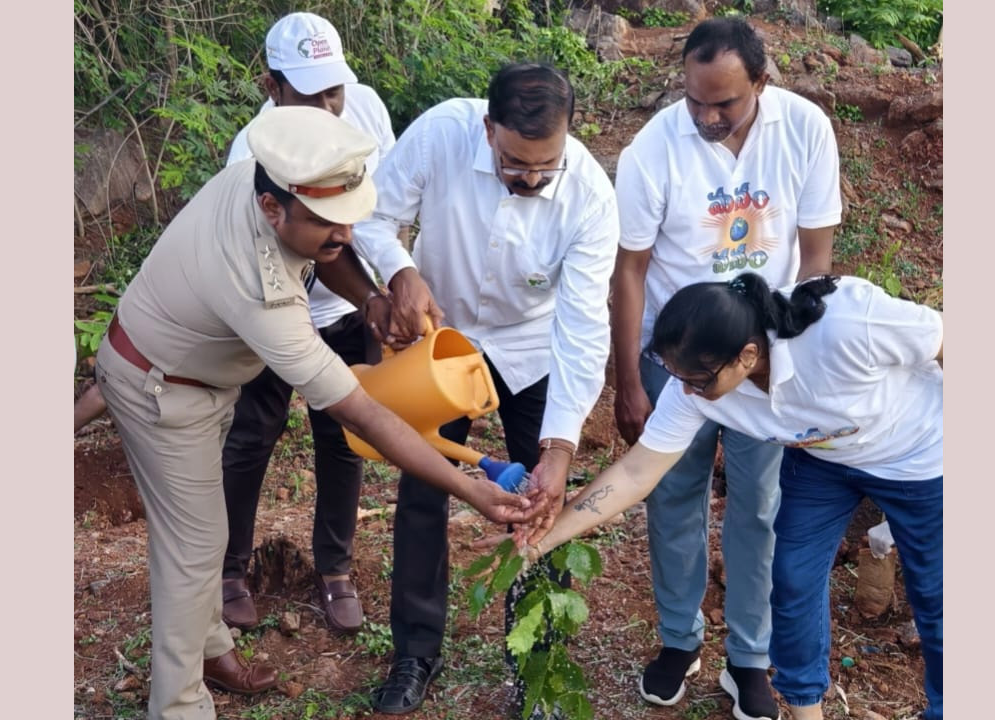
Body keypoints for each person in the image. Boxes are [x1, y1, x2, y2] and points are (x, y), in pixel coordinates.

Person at [94, 106, 542, 720]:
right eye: (330, 225)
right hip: (164, 393)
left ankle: (211, 649)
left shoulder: (268, 176)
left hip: (192, 374)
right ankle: (177, 705)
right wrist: (474, 491)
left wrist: (372, 301)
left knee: (205, 534)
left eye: (350, 220)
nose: (347, 238)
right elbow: (365, 414)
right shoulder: (260, 290)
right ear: (275, 211)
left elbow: (328, 242)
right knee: (193, 550)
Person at [522, 272, 943, 720]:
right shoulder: (695, 386)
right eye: (676, 375)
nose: (685, 390)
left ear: (747, 355)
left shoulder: (847, 323)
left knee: (936, 596)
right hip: (826, 459)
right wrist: (540, 542)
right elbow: (636, 472)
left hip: (917, 456)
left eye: (698, 379)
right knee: (793, 580)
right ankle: (807, 712)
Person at [349, 63, 619, 715]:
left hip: (533, 348)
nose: (530, 179)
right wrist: (401, 270)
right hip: (442, 342)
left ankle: (535, 658)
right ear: (487, 126)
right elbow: (368, 218)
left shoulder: (589, 195)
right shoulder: (442, 133)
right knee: (421, 489)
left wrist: (560, 449)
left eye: (544, 167)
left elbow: (583, 329)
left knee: (539, 499)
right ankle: (415, 650)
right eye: (514, 163)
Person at [609, 17, 841, 719]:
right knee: (672, 498)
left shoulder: (804, 129)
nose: (707, 116)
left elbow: (817, 258)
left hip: (760, 358)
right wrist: (626, 380)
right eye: (695, 101)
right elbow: (631, 271)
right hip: (677, 359)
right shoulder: (655, 149)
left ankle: (750, 659)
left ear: (761, 85)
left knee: (759, 506)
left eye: (725, 104)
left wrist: (797, 362)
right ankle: (679, 639)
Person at [216, 11, 406, 635]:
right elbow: (298, 256)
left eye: (334, 88)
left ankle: (335, 571)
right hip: (276, 315)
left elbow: (380, 214)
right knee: (250, 439)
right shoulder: (252, 155)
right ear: (272, 86)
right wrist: (370, 296)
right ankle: (229, 570)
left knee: (342, 437)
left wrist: (386, 292)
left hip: (348, 312)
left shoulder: (367, 111)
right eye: (309, 92)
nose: (328, 105)